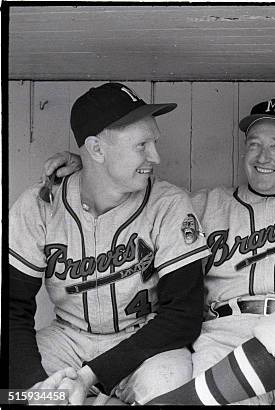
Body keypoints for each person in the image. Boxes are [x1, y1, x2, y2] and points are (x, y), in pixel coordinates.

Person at [40, 98, 275, 405]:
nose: (263, 157)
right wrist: (85, 166)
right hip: (224, 343)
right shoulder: (202, 205)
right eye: (255, 145)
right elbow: (134, 197)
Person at [9, 83, 209, 405]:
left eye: (154, 142)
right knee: (14, 395)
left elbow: (183, 316)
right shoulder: (40, 205)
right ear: (97, 150)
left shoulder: (168, 203)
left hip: (145, 341)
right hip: (66, 340)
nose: (155, 157)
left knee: (171, 391)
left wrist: (92, 375)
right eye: (141, 145)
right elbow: (11, 309)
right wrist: (36, 391)